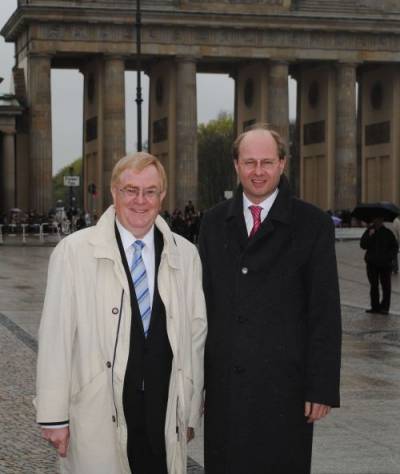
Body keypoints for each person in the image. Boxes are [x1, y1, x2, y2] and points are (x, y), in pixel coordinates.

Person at [35, 152, 207, 474]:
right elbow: (55, 337)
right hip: (99, 409)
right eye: (130, 190)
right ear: (114, 192)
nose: (140, 201)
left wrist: (190, 409)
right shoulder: (73, 253)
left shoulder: (186, 254)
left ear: (162, 195)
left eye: (150, 191)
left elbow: (196, 335)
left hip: (164, 409)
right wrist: (53, 416)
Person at [198, 125, 342, 474]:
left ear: (282, 164)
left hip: (285, 389)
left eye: (266, 162)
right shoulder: (213, 223)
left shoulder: (313, 224)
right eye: (249, 162)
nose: (258, 171)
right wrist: (193, 386)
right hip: (225, 387)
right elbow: (201, 307)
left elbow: (324, 311)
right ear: (236, 165)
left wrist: (320, 387)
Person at [360, 217, 398, 314]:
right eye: (375, 220)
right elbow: (363, 245)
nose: (376, 222)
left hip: (385, 264)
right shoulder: (369, 231)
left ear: (381, 221)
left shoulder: (388, 233)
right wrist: (369, 235)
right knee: (374, 286)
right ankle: (375, 307)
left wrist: (389, 257)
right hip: (372, 264)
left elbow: (395, 247)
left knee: (386, 287)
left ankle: (385, 308)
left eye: (379, 220)